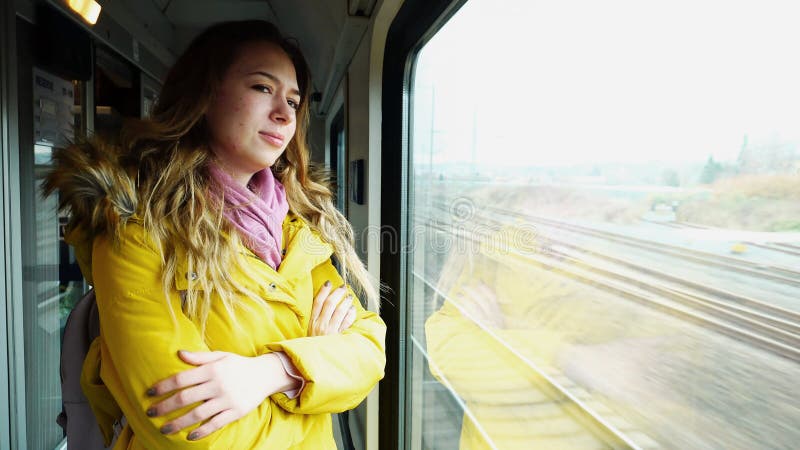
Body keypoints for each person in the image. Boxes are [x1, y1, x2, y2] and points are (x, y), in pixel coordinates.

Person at [44, 20, 386, 449]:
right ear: (204, 96)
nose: (284, 114)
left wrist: (274, 372)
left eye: (294, 101)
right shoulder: (135, 230)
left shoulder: (295, 227)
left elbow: (371, 350)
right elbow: (186, 425)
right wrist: (318, 374)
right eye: (262, 88)